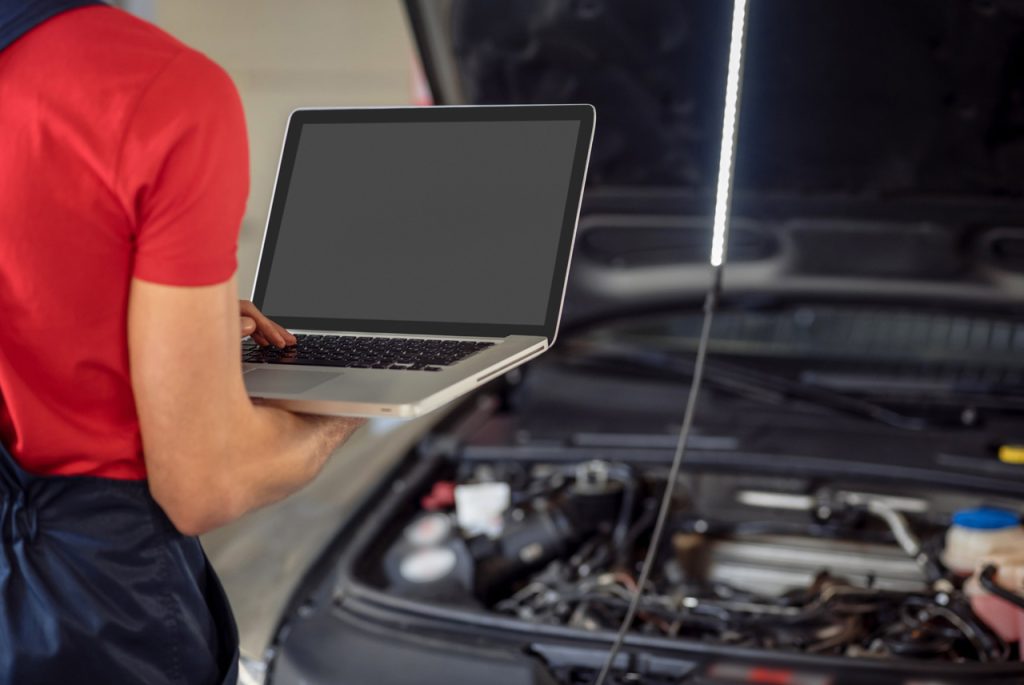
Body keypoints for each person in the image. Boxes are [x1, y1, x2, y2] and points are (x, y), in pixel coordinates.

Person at [0, 2, 364, 683]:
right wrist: (351, 406)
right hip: (91, 613)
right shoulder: (157, 88)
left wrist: (167, 327)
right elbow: (206, 484)